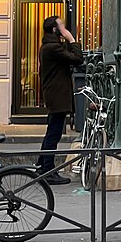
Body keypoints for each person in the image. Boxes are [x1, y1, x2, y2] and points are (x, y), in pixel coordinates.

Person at [38, 16, 84, 185]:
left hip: (54, 95)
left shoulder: (49, 46)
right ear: (55, 30)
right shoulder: (52, 48)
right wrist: (71, 39)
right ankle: (48, 171)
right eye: (62, 26)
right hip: (57, 96)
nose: (65, 28)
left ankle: (42, 166)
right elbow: (78, 59)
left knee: (52, 130)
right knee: (54, 133)